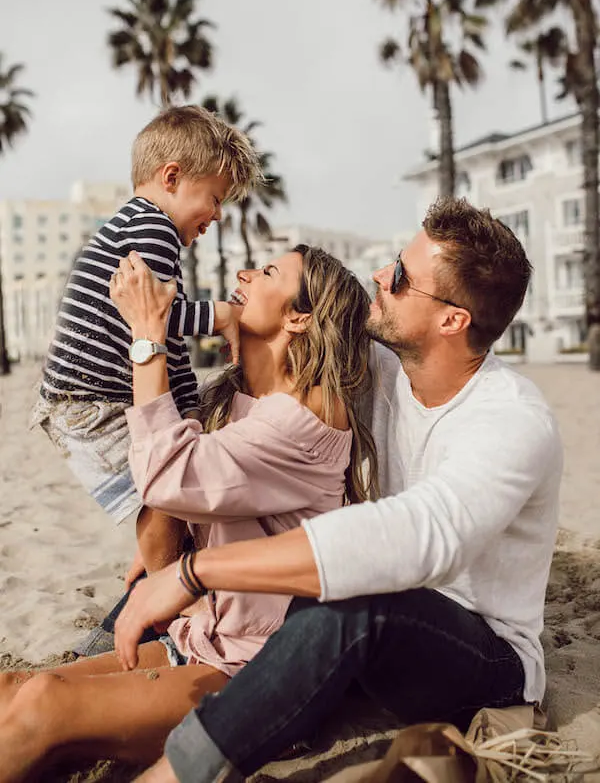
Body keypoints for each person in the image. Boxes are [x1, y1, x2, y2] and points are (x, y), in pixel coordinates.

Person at [114, 197, 561, 783]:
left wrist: (197, 570)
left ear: (453, 320)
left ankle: (174, 773)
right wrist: (228, 319)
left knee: (352, 601)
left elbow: (422, 540)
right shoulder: (384, 367)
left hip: (481, 651)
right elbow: (298, 348)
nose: (380, 276)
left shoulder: (511, 420)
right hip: (382, 627)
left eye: (400, 278)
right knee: (157, 594)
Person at [0, 244, 378, 781]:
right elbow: (200, 493)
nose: (244, 273)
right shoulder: (242, 396)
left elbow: (166, 477)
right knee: (14, 690)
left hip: (250, 671)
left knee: (42, 703)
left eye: (268, 271)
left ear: (300, 317)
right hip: (198, 636)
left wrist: (148, 334)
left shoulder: (305, 419)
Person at [31, 106, 263, 605]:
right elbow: (161, 319)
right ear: (172, 177)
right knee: (163, 495)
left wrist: (191, 412)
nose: (217, 215)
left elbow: (165, 344)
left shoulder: (138, 226)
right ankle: (168, 597)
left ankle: (160, 578)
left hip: (88, 394)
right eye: (214, 199)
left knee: (171, 480)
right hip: (93, 400)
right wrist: (220, 315)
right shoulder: (153, 229)